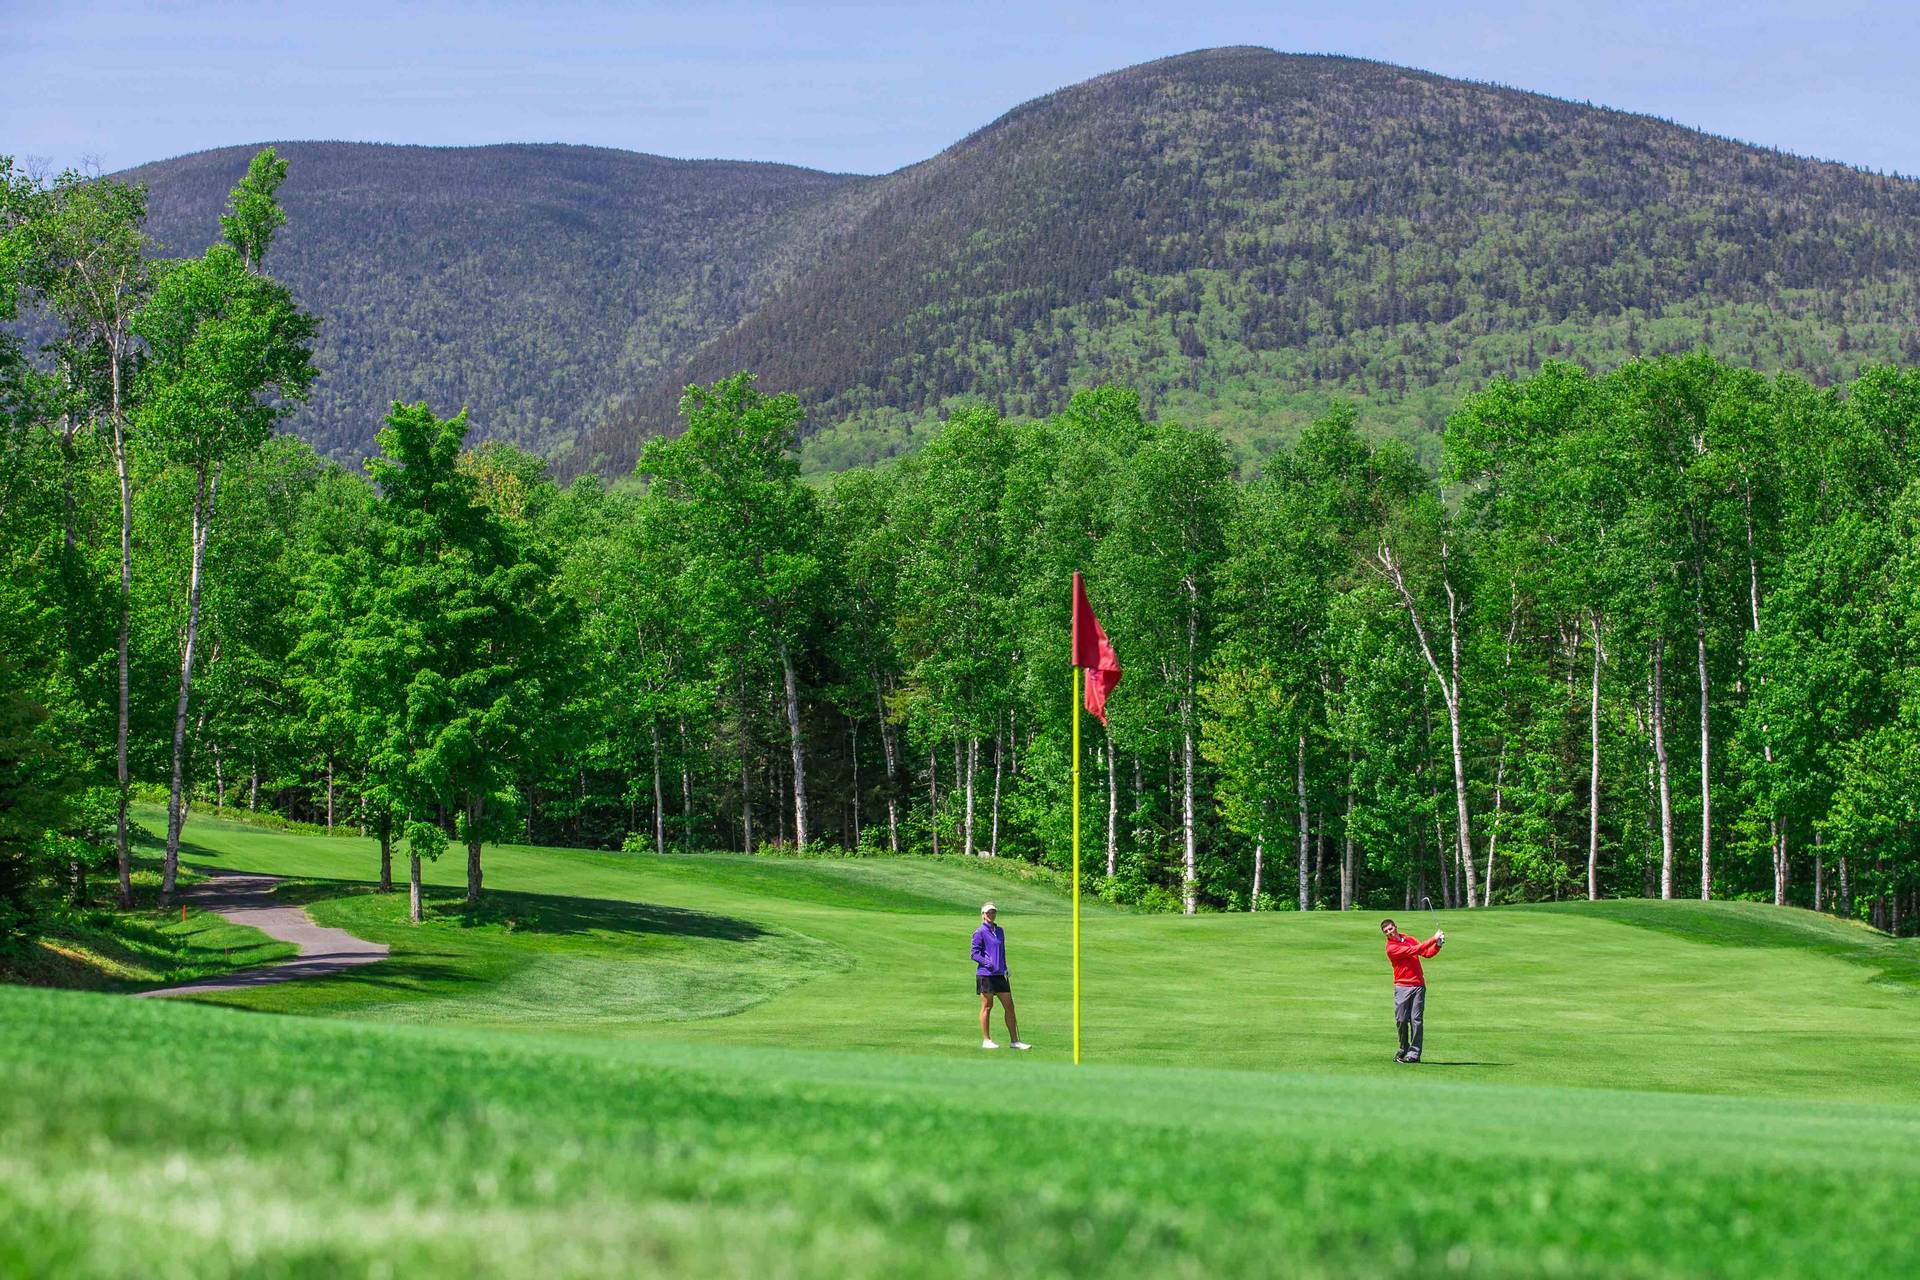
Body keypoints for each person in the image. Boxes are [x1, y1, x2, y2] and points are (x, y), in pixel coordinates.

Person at [1380, 918, 1443, 1062]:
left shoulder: (1409, 939)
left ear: (1396, 927)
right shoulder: (1391, 948)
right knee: (1401, 1019)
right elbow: (1415, 950)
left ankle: (1413, 1054)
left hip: (1418, 985)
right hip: (1402, 986)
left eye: (1390, 929)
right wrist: (1434, 938)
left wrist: (1437, 945)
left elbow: (1426, 953)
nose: (1389, 932)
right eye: (1386, 931)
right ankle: (1403, 1048)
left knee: (1416, 1020)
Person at [972, 903, 1030, 1050]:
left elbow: (1002, 951)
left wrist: (1005, 967)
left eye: (993, 912)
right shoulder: (979, 932)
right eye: (989, 912)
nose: (991, 914)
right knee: (987, 1006)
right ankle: (986, 1040)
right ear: (983, 915)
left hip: (1000, 975)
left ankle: (1014, 1041)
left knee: (1010, 1006)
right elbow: (974, 954)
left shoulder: (1000, 931)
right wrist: (988, 963)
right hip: (986, 974)